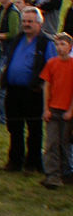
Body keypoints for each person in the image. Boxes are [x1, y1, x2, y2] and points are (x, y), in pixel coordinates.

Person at [2, 6, 55, 173]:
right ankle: (15, 161)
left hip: (33, 92)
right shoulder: (18, 39)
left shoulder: (46, 42)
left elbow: (52, 68)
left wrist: (41, 86)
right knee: (14, 127)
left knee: (34, 129)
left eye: (30, 22)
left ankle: (33, 163)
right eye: (24, 21)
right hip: (13, 91)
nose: (26, 24)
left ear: (39, 23)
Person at [39, 32, 73, 189]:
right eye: (57, 45)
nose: (60, 48)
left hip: (67, 110)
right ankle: (53, 175)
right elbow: (47, 86)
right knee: (52, 142)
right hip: (53, 109)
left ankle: (66, 172)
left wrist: (71, 110)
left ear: (70, 47)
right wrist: (46, 108)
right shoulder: (51, 63)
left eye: (63, 45)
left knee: (64, 143)